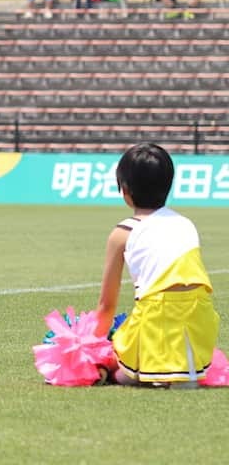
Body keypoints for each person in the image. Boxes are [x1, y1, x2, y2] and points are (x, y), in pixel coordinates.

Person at [94, 143, 220, 386]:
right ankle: (178, 368)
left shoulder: (123, 232)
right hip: (200, 321)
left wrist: (92, 350)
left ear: (125, 189)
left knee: (115, 370)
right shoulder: (185, 224)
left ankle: (133, 371)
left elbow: (106, 307)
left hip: (156, 318)